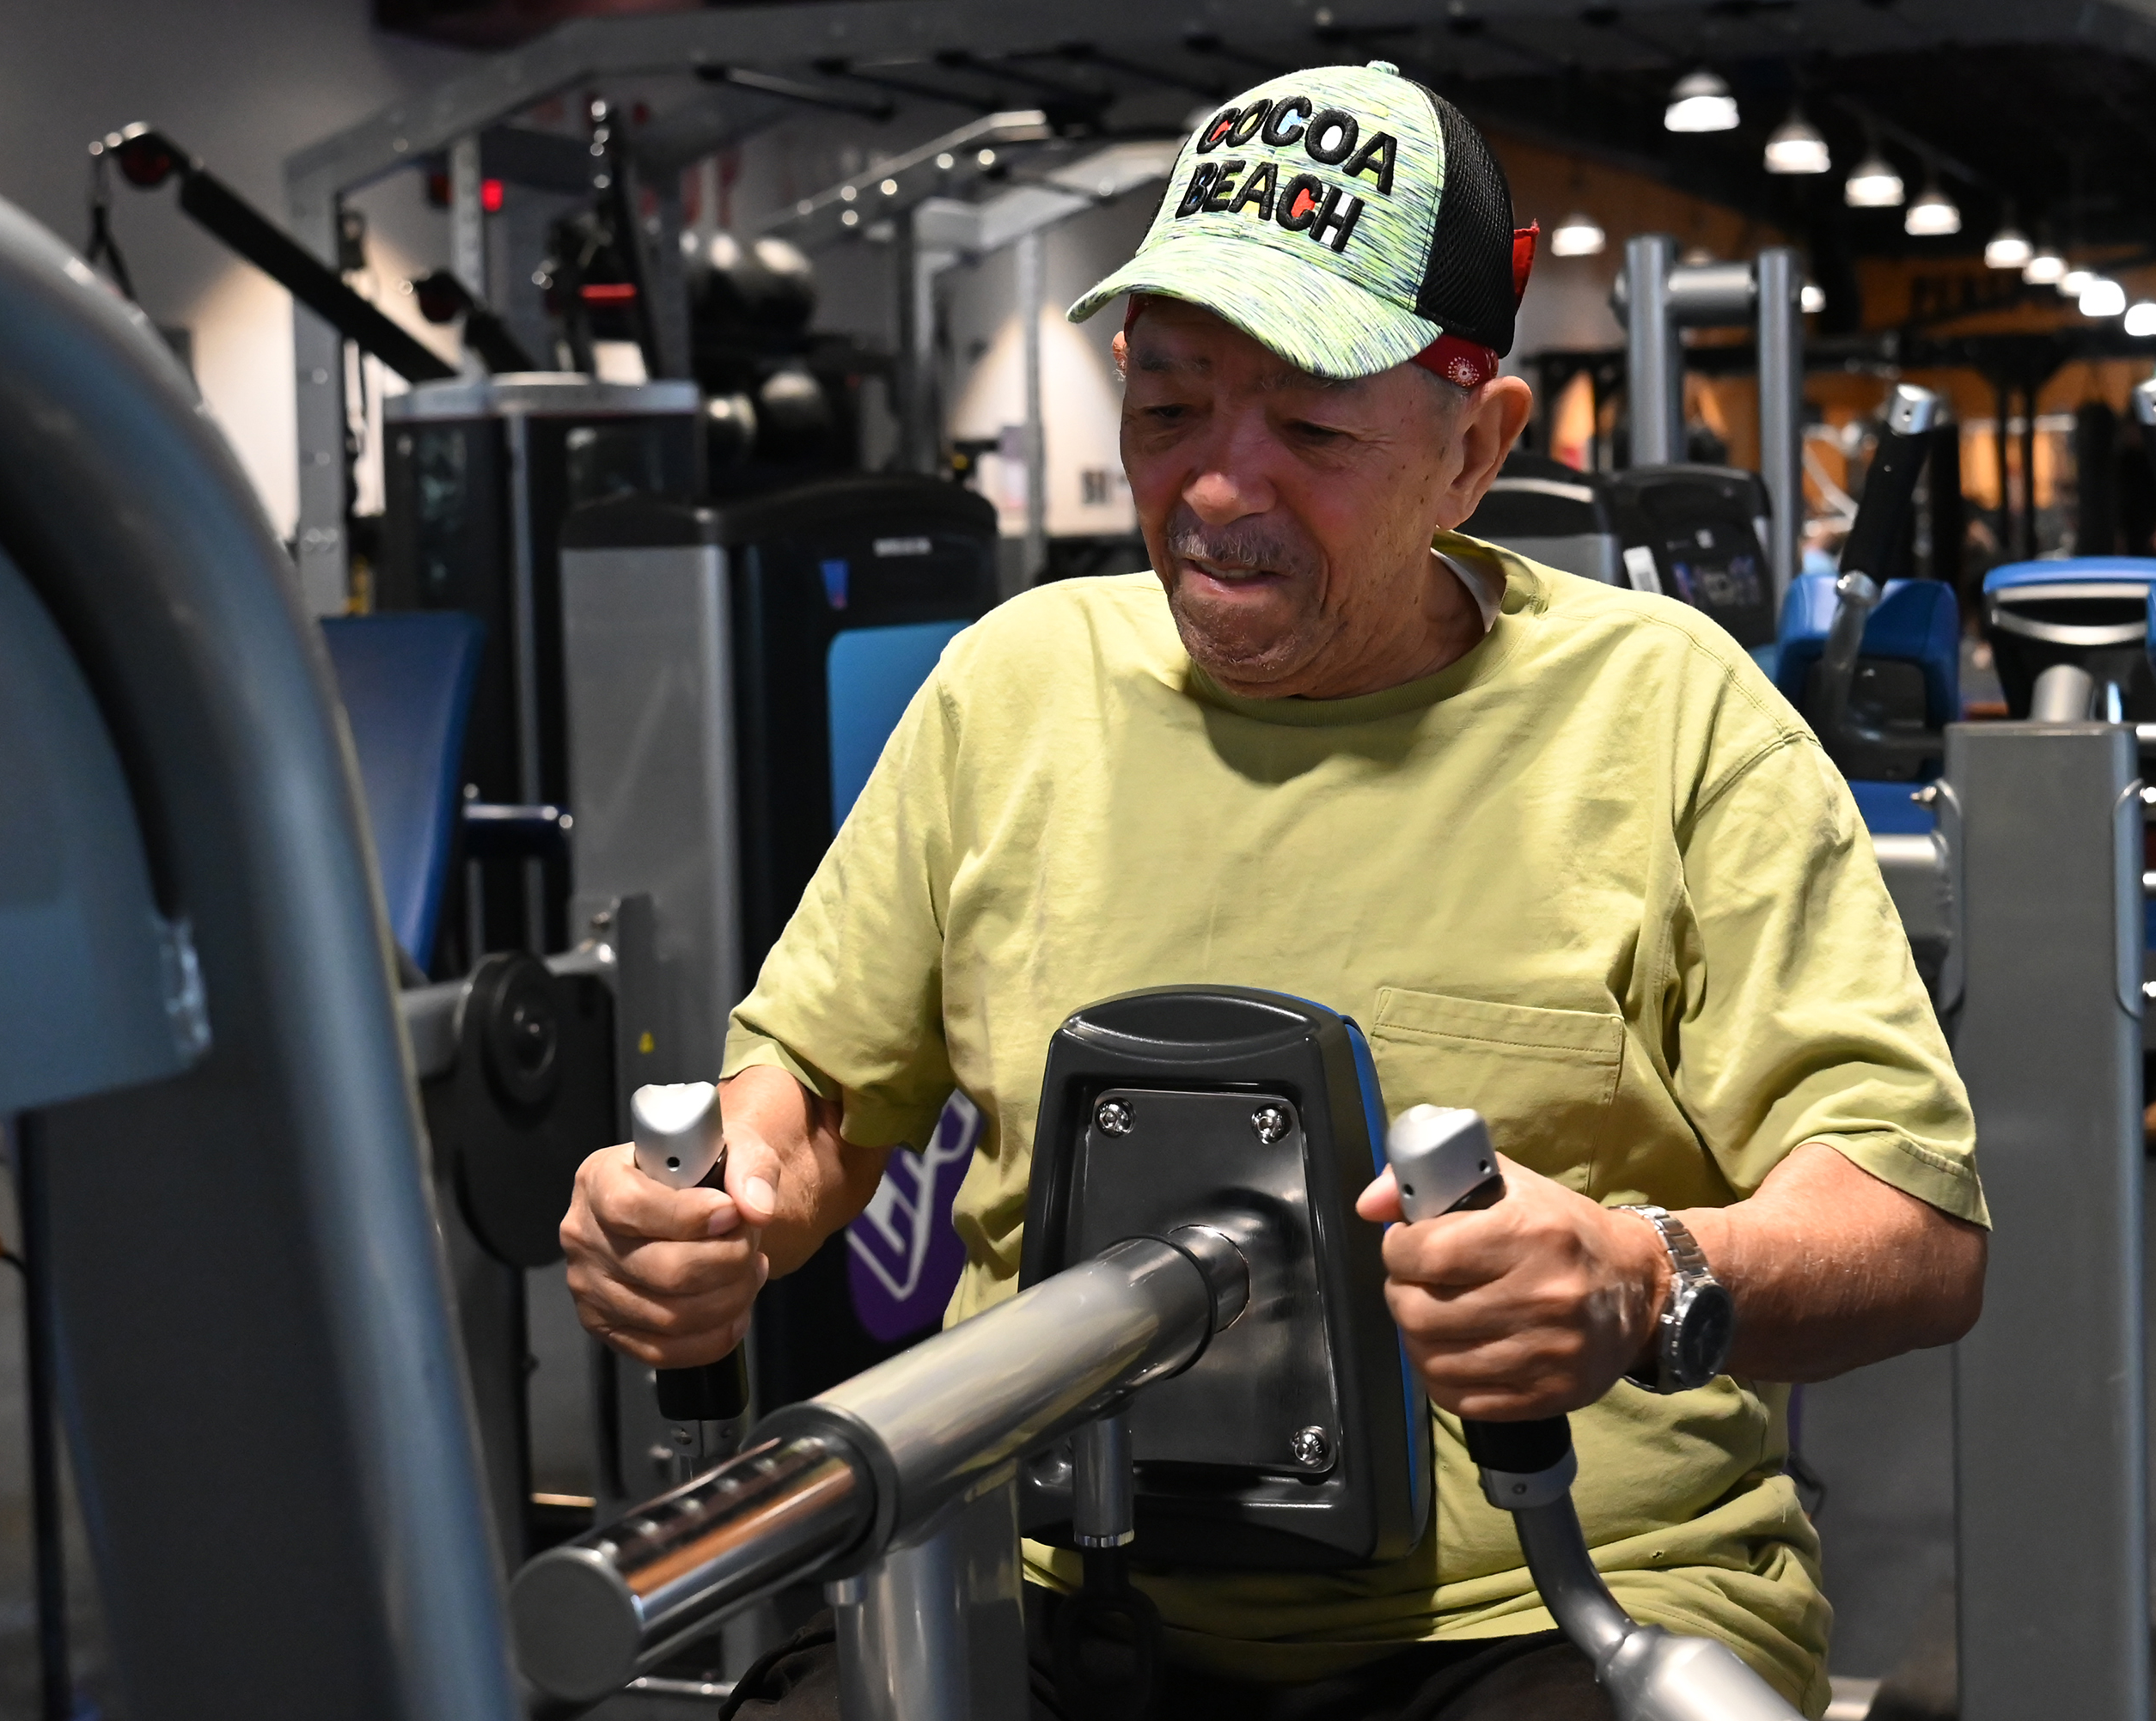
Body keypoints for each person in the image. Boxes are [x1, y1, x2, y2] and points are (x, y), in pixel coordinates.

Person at [559, 59, 1985, 1721]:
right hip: (1051, 1607)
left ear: (1476, 450)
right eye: (1167, 413)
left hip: (1544, 1616)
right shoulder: (1015, 686)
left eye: (1311, 425)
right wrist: (696, 1212)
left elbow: (1915, 1226)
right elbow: (805, 1099)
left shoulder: (1665, 712)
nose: (1219, 492)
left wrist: (1641, 1275)